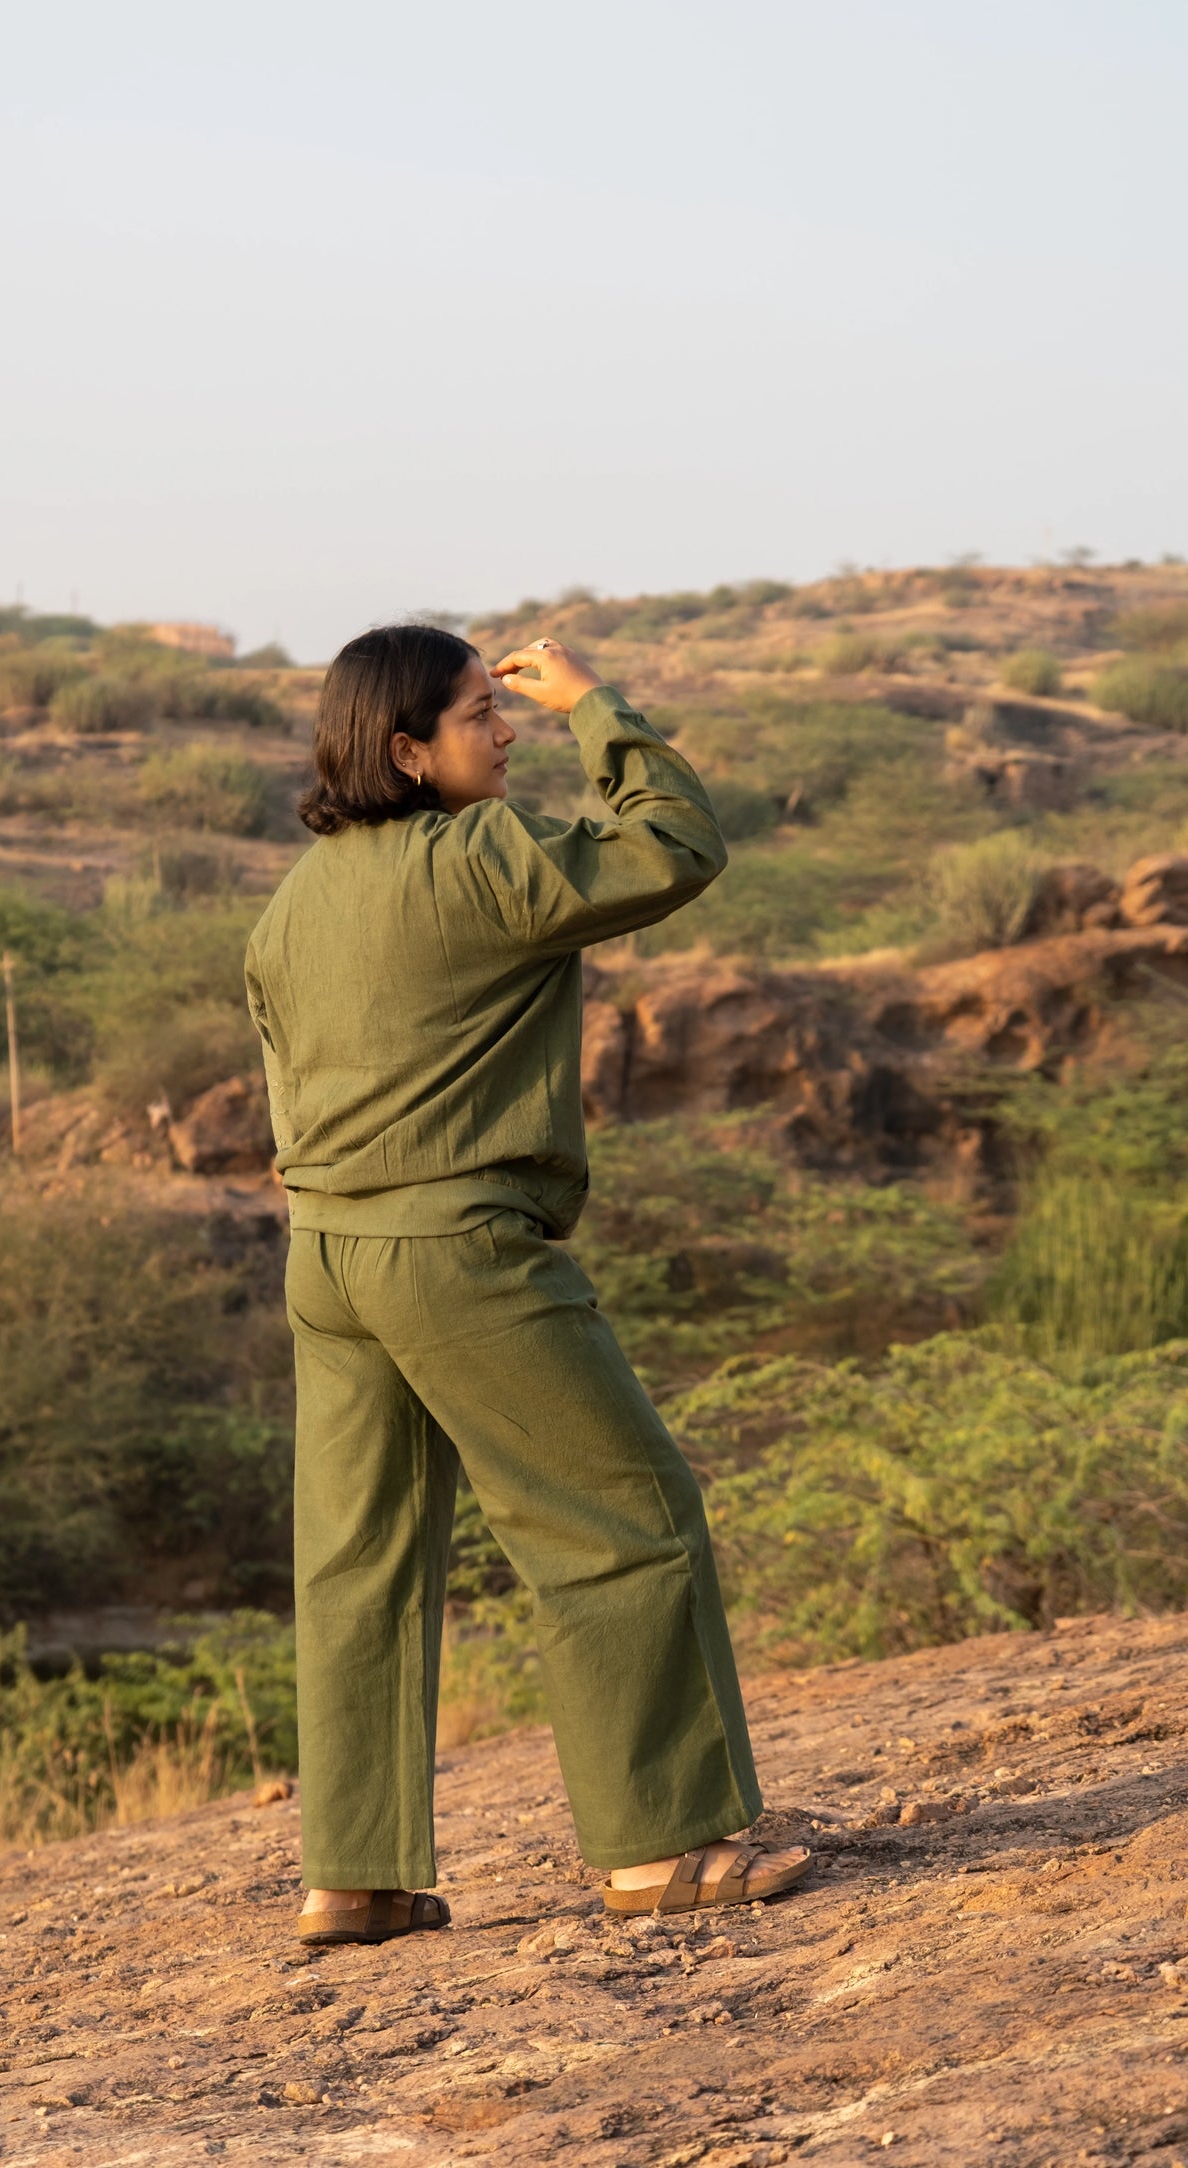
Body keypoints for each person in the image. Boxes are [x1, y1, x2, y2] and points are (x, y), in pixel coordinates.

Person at [244, 625, 808, 1945]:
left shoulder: (291, 903)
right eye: (478, 715)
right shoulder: (481, 859)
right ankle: (656, 1849)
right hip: (454, 1250)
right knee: (622, 1514)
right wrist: (591, 705)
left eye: (509, 710)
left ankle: (356, 1875)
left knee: (356, 1560)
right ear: (406, 752)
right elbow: (673, 845)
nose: (503, 730)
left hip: (323, 1259)